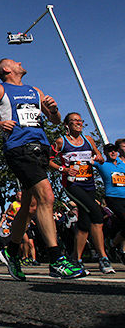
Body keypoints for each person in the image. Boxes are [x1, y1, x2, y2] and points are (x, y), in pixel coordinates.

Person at [0, 58, 84, 280]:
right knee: (47, 195)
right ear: (7, 69)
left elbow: (53, 121)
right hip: (18, 148)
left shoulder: (35, 91)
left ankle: (11, 252)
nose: (21, 62)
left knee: (30, 205)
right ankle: (57, 260)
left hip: (41, 148)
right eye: (15, 62)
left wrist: (54, 110)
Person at [49, 112, 114, 274]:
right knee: (96, 214)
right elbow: (47, 160)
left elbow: (97, 155)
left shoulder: (88, 139)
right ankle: (103, 258)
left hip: (89, 184)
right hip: (72, 185)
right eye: (74, 121)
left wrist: (98, 157)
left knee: (84, 222)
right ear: (67, 125)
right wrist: (64, 169)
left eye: (80, 121)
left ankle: (76, 259)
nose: (78, 123)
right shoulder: (61, 141)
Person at [94, 143, 125, 262]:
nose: (113, 152)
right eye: (110, 151)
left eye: (115, 150)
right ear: (105, 152)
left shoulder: (122, 165)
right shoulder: (102, 164)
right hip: (113, 198)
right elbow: (89, 160)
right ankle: (113, 245)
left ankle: (115, 247)